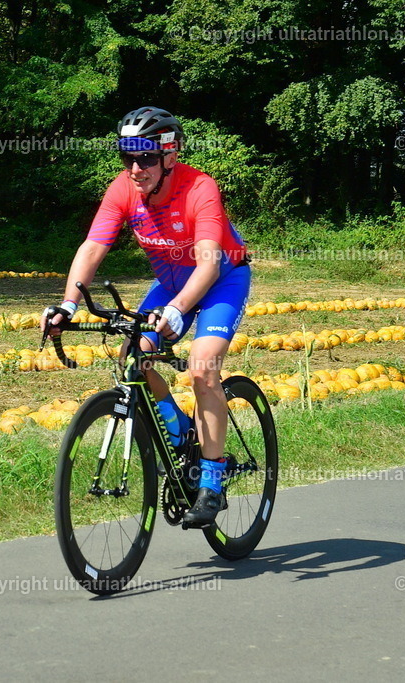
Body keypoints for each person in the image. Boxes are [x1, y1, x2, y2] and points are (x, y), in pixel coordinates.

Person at [40, 106, 251, 527]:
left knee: (202, 367)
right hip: (171, 284)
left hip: (221, 280)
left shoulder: (199, 188)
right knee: (132, 355)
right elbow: (93, 247)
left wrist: (177, 310)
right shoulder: (122, 190)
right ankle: (180, 433)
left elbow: (209, 264)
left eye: (146, 157)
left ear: (170, 155)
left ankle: (212, 481)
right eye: (127, 156)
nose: (136, 168)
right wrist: (68, 304)